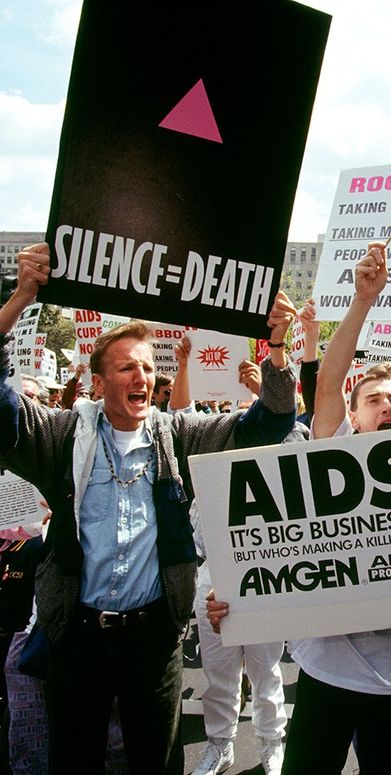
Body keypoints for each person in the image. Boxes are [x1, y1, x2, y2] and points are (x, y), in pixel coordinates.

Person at [0, 243, 298, 775]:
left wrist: (277, 348)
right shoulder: (64, 435)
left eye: (146, 368)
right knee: (75, 760)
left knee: (156, 764)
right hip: (79, 637)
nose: (141, 378)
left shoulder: (176, 434)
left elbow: (269, 423)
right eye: (124, 369)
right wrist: (20, 298)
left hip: (152, 640)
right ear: (96, 383)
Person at [211, 244, 391, 774]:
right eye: (374, 399)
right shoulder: (333, 444)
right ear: (352, 414)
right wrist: (362, 302)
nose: (387, 406)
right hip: (326, 671)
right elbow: (327, 378)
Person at [166, 337, 290, 775]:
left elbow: (289, 426)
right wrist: (184, 367)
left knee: (265, 670)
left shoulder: (277, 440)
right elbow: (180, 419)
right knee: (219, 672)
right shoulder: (207, 440)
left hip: (264, 567)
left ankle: (273, 744)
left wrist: (263, 392)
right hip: (211, 571)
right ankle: (220, 744)